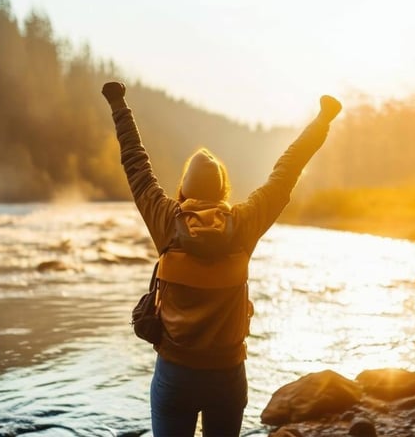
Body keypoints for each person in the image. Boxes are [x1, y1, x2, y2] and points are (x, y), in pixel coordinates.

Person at [101, 81, 341, 437]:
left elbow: (136, 163)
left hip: (175, 374)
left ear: (183, 189)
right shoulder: (243, 224)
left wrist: (118, 104)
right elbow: (287, 170)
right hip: (227, 375)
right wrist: (323, 119)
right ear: (224, 191)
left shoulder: (166, 221)